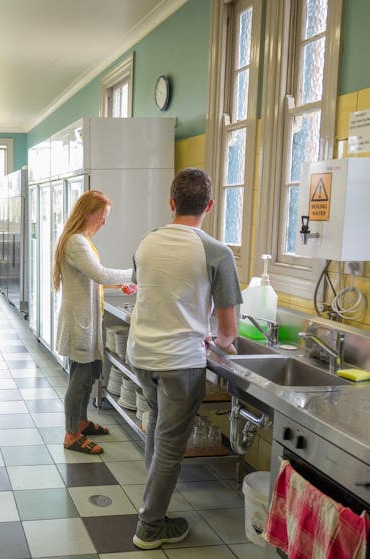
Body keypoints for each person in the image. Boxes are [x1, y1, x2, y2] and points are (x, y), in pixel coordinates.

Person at [126, 168, 240, 550]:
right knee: (171, 444)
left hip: (142, 353)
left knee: (158, 429)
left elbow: (150, 291)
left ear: (172, 203)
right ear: (209, 206)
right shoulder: (217, 251)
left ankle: (152, 507)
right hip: (180, 361)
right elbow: (228, 331)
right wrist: (219, 342)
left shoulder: (146, 242)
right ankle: (150, 524)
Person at [53, 190, 136, 455]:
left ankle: (81, 422)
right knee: (79, 378)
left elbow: (93, 277)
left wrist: (122, 281)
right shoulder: (77, 242)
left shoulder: (81, 239)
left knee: (88, 374)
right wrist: (136, 273)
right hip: (80, 322)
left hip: (85, 318)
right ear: (89, 213)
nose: (104, 222)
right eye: (102, 217)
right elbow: (99, 274)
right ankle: (71, 434)